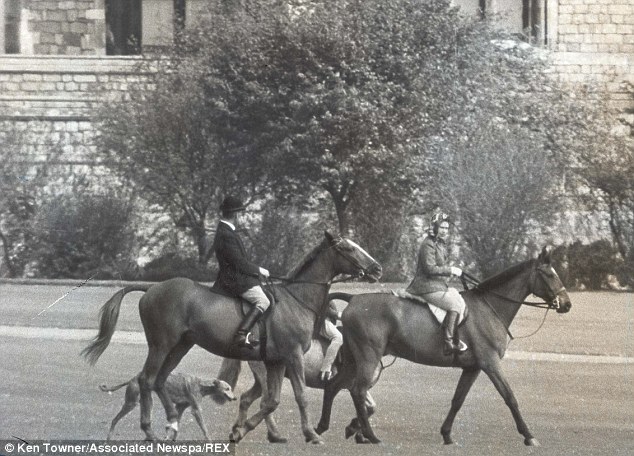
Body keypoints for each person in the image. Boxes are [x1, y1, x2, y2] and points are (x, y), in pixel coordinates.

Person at [212, 196, 270, 349]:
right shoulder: (226, 234)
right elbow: (239, 263)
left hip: (236, 276)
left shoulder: (226, 231)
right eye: (242, 214)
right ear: (236, 215)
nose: (242, 217)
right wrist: (259, 270)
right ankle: (241, 334)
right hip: (233, 279)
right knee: (263, 301)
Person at [406, 212, 468, 355]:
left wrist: (450, 274)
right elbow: (429, 269)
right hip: (425, 286)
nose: (445, 231)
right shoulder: (428, 244)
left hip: (437, 285)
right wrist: (450, 270)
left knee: (459, 300)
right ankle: (447, 343)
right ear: (434, 228)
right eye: (442, 228)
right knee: (454, 305)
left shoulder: (439, 244)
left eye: (447, 228)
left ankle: (456, 338)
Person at [319, 301, 343, 381]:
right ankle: (325, 369)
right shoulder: (321, 291)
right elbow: (328, 310)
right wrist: (343, 315)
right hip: (323, 321)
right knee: (338, 337)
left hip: (327, 321)